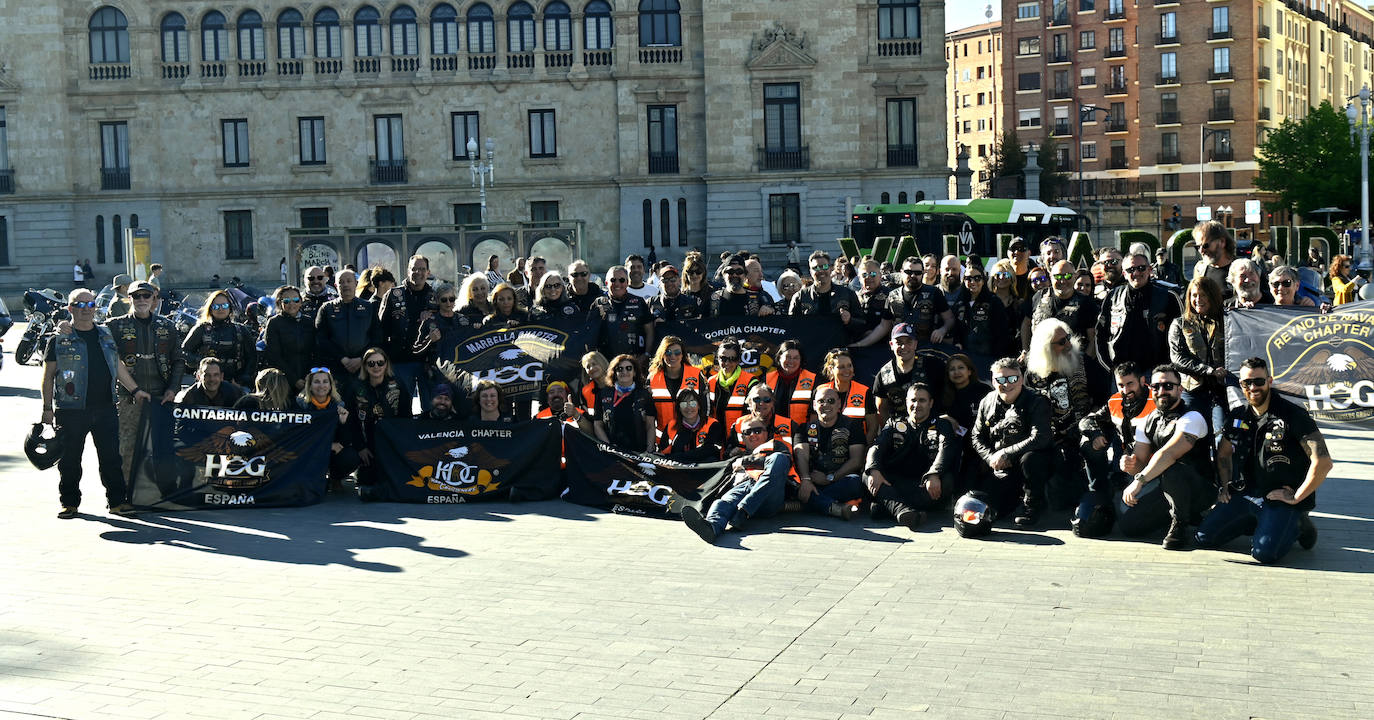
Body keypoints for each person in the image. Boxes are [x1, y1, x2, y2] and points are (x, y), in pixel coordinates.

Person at [1195, 357, 1331, 563]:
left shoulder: (1293, 415)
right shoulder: (1238, 416)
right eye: (1246, 383)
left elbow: (1323, 462)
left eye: (1258, 381)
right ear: (1240, 385)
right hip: (1246, 493)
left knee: (1264, 554)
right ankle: (1258, 523)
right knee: (1203, 538)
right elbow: (1223, 454)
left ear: (1270, 381)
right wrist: (1224, 487)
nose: (1252, 387)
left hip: (1281, 497)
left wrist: (1297, 497)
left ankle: (1299, 524)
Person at [42, 288, 144, 518]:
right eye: (80, 305)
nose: (86, 310)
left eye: (91, 305)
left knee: (111, 458)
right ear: (70, 308)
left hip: (106, 407)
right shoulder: (59, 339)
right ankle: (69, 503)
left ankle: (117, 502)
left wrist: (135, 390)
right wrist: (47, 409)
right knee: (69, 459)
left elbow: (117, 366)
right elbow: (48, 377)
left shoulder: (106, 334)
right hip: (71, 410)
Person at [1120, 365, 1218, 549]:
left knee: (1171, 466)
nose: (1161, 391)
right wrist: (1130, 464)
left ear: (1180, 389)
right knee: (1129, 525)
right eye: (1156, 387)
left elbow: (1169, 454)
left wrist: (1139, 481)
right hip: (1168, 488)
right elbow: (1140, 463)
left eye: (1168, 386)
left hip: (1201, 489)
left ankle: (1181, 526)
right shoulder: (1147, 420)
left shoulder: (1192, 416)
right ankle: (1182, 515)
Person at [104, 280, 185, 480]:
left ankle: (161, 492)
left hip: (162, 397)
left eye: (146, 296)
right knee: (127, 446)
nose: (141, 300)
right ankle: (125, 494)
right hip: (128, 397)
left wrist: (173, 389)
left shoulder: (168, 325)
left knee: (162, 445)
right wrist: (64, 326)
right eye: (136, 296)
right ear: (128, 298)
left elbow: (179, 360)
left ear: (154, 299)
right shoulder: (114, 326)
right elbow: (105, 352)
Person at [678, 415, 795, 544]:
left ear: (766, 433)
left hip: (769, 495)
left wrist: (745, 461)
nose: (753, 435)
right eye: (747, 432)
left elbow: (785, 461)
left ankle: (745, 510)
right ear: (743, 438)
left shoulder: (776, 446)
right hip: (742, 489)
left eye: (757, 430)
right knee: (722, 503)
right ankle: (712, 528)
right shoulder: (736, 455)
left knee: (779, 458)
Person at [1075, 362, 1157, 537]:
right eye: (1120, 385)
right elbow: (1086, 420)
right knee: (1087, 443)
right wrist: (1096, 434)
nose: (1125, 390)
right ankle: (1098, 491)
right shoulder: (1114, 401)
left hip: (1156, 465)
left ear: (1142, 381)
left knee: (1128, 518)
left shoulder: (1157, 399)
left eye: (1130, 384)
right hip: (1128, 462)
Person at [971, 357, 1054, 527]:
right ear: (993, 381)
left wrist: (1007, 452)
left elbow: (1041, 437)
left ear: (1021, 379)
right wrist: (991, 458)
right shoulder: (987, 401)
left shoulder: (1037, 400)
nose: (1006, 384)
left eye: (1012, 379)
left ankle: (1033, 506)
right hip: (1000, 465)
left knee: (1031, 459)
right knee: (990, 510)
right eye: (1000, 379)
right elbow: (976, 437)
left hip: (1030, 461)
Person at [864, 384, 960, 529]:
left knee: (947, 481)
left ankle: (887, 506)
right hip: (895, 481)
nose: (916, 405)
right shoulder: (894, 423)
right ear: (906, 402)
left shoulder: (942, 425)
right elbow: (877, 447)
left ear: (931, 403)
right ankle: (902, 511)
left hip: (925, 484)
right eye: (913, 400)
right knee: (867, 475)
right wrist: (874, 469)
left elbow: (946, 450)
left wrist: (934, 474)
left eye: (922, 400)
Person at [790, 386, 866, 520]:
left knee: (855, 482)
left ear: (839, 404)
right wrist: (806, 480)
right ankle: (832, 507)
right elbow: (800, 455)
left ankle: (807, 502)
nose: (826, 405)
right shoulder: (803, 429)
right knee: (791, 484)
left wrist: (831, 478)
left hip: (840, 479)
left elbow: (857, 460)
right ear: (814, 405)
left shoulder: (852, 425)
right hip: (811, 480)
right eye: (821, 401)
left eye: (831, 401)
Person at [1096, 253, 1182, 372]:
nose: (1136, 273)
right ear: (1124, 274)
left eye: (1141, 268)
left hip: (1159, 372)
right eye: (1131, 269)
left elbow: (1181, 336)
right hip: (1122, 372)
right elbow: (1100, 333)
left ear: (1150, 270)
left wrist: (1171, 369)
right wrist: (1110, 368)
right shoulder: (1113, 297)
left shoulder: (1168, 297)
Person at [349, 347, 412, 496]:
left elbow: (406, 417)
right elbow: (351, 421)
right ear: (365, 366)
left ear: (386, 364)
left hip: (391, 442)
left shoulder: (398, 385)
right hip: (367, 444)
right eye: (371, 364)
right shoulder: (356, 387)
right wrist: (360, 447)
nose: (376, 367)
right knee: (365, 479)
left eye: (380, 362)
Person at [379, 254, 437, 411]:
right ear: (407, 271)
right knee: (400, 409)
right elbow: (380, 329)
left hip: (428, 363)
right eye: (414, 269)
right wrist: (383, 361)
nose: (418, 272)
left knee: (430, 409)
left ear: (428, 272)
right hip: (399, 362)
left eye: (422, 269)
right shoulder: (393, 295)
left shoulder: (436, 296)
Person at [1169, 277, 1229, 423]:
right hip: (1191, 391)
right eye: (1194, 295)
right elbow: (1178, 359)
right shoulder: (1180, 324)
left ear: (1212, 296)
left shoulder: (1228, 320)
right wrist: (1209, 370)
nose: (1198, 299)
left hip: (1221, 391)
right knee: (1190, 432)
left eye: (1203, 295)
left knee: (1220, 434)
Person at [314, 269, 382, 390]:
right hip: (336, 367)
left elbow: (377, 337)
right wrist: (343, 359)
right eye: (341, 282)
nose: (345, 284)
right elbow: (322, 339)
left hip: (364, 367)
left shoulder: (369, 307)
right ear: (336, 286)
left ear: (356, 284)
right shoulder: (326, 309)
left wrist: (361, 358)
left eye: (349, 281)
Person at [296, 367, 357, 491]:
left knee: (351, 456)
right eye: (317, 382)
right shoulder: (299, 406)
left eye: (325, 382)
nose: (321, 385)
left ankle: (335, 478)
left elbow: (346, 441)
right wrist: (328, 445)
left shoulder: (339, 405)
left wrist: (343, 422)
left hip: (332, 453)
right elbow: (299, 438)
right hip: (309, 451)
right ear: (310, 385)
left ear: (330, 386)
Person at [871, 323, 940, 431]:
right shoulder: (883, 375)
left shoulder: (933, 366)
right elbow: (881, 410)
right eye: (899, 342)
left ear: (915, 344)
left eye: (909, 342)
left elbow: (946, 396)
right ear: (891, 344)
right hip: (900, 431)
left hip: (932, 428)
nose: (904, 347)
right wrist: (890, 433)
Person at [181, 289, 256, 386]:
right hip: (207, 382)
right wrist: (202, 362)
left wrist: (243, 379)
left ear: (230, 307)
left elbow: (252, 358)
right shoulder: (201, 329)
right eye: (216, 306)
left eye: (224, 306)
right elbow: (184, 352)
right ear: (210, 309)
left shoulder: (241, 330)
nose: (220, 309)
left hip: (236, 382)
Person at [789, 252, 865, 339]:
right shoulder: (800, 296)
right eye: (816, 268)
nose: (821, 271)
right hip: (811, 346)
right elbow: (791, 326)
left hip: (840, 348)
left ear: (830, 269)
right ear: (810, 272)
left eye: (824, 267)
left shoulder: (847, 294)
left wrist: (849, 320)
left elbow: (862, 324)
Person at [1027, 259, 1097, 354]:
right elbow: (1026, 324)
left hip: (1074, 362)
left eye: (1068, 276)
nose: (1062, 281)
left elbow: (1093, 339)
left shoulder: (1087, 303)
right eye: (1058, 276)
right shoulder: (1038, 297)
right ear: (1050, 277)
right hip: (1043, 361)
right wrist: (1025, 349)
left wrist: (1085, 364)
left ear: (1075, 277)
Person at [593, 354, 657, 453]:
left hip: (640, 452)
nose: (624, 372)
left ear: (634, 372)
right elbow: (597, 424)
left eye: (629, 368)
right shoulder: (603, 394)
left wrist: (649, 451)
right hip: (613, 453)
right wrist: (609, 448)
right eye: (620, 369)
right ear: (614, 373)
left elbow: (650, 426)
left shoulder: (644, 395)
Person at [647, 335, 705, 441]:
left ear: (683, 354)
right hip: (663, 441)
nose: (672, 356)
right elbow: (648, 414)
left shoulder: (696, 374)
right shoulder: (652, 378)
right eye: (668, 352)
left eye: (677, 352)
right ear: (662, 354)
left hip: (693, 438)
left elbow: (706, 408)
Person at [886, 255, 954, 344]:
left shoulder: (934, 293)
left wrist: (942, 330)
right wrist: (863, 343)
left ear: (922, 273)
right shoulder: (892, 296)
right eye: (908, 272)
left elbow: (950, 319)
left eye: (917, 273)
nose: (913, 275)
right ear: (901, 272)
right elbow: (884, 326)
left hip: (926, 346)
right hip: (901, 348)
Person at [592, 265, 655, 358]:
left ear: (627, 283)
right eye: (613, 280)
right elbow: (591, 332)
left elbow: (650, 331)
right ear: (606, 282)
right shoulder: (598, 303)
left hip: (634, 361)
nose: (617, 284)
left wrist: (646, 354)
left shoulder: (639, 302)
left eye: (621, 280)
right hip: (606, 361)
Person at [817, 348, 878, 442]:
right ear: (831, 369)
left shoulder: (864, 391)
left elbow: (873, 426)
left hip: (857, 448)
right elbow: (813, 424)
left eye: (849, 366)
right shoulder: (820, 391)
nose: (847, 370)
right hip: (826, 447)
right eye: (841, 367)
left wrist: (864, 449)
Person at [262, 285, 315, 392]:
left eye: (295, 300)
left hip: (308, 378)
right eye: (286, 301)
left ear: (301, 302)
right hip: (283, 380)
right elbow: (274, 356)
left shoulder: (308, 322)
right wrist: (294, 380)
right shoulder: (274, 323)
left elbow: (315, 352)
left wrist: (310, 376)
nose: (292, 304)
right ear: (279, 303)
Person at [951, 263, 1008, 357]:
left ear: (983, 280)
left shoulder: (994, 302)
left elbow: (1002, 333)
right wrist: (957, 342)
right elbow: (956, 329)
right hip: (966, 357)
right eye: (968, 279)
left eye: (977, 278)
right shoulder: (959, 303)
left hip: (989, 356)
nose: (973, 282)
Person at [658, 387, 724, 462]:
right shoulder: (671, 426)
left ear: (699, 406)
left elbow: (711, 451)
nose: (688, 407)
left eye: (693, 403)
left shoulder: (713, 424)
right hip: (678, 470)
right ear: (679, 408)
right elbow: (664, 454)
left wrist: (679, 456)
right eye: (683, 404)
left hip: (705, 469)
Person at [705, 339, 759, 428]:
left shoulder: (750, 381)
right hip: (717, 436)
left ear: (738, 361)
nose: (727, 363)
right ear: (717, 359)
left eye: (732, 359)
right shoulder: (711, 382)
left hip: (741, 435)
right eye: (723, 358)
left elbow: (756, 413)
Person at [764, 340, 816, 428]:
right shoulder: (767, 379)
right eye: (788, 357)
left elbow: (815, 412)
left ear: (801, 360)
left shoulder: (813, 380)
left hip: (800, 433)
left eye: (796, 358)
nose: (791, 361)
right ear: (780, 357)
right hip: (772, 432)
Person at [728, 384, 792, 452]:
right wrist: (733, 452)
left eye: (766, 400)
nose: (761, 403)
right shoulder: (738, 425)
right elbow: (727, 452)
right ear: (749, 402)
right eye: (757, 399)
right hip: (746, 460)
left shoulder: (790, 425)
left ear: (772, 403)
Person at [940, 353, 991, 434]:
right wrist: (945, 418)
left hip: (983, 438)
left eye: (961, 368)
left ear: (969, 371)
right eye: (952, 369)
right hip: (956, 442)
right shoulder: (943, 394)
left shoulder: (984, 390)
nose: (956, 372)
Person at [850, 257, 895, 347]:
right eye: (864, 275)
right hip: (858, 343)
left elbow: (886, 326)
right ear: (859, 278)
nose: (869, 277)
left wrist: (860, 344)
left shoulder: (890, 295)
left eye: (873, 274)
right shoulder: (855, 296)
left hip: (882, 346)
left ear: (880, 275)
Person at [1191, 220, 1237, 302]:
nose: (1201, 251)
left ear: (1222, 242)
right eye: (1198, 247)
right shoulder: (1200, 269)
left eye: (1205, 245)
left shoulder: (1242, 269)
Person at [177, 357, 245, 407]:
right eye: (207, 375)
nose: (212, 379)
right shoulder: (189, 396)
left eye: (216, 375)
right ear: (199, 376)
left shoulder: (234, 393)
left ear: (221, 377)